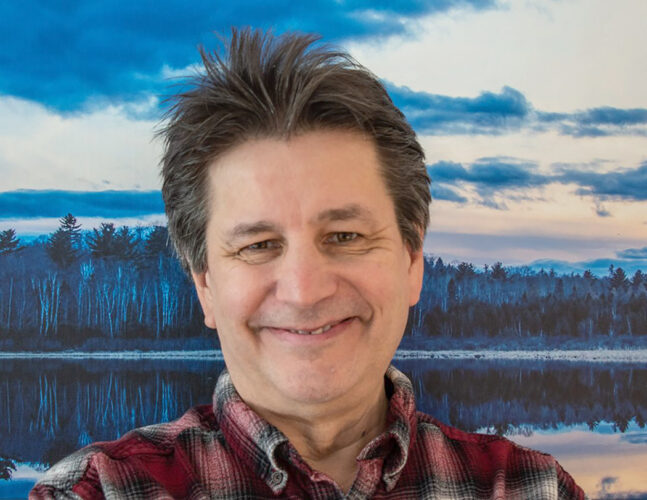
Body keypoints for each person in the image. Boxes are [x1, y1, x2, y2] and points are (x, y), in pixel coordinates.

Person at [31, 28, 585, 499]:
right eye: (257, 245)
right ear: (205, 285)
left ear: (412, 261)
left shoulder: (528, 488)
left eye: (344, 236)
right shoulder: (98, 492)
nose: (304, 290)